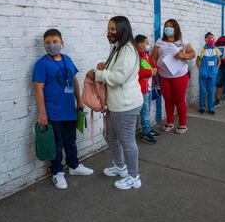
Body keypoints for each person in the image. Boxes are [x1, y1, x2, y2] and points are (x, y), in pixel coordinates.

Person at [86, 16, 144, 190]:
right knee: (110, 136)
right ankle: (120, 167)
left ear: (122, 30)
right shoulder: (119, 48)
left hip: (126, 105)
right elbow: (118, 70)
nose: (109, 33)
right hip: (116, 104)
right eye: (108, 29)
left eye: (112, 29)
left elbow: (119, 77)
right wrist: (106, 66)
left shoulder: (127, 50)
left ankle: (134, 177)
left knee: (127, 141)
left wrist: (97, 74)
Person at [33, 29, 94, 190]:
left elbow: (74, 80)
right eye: (47, 42)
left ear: (62, 43)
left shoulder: (67, 59)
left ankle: (74, 166)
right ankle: (57, 172)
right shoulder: (41, 64)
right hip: (53, 112)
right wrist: (42, 112)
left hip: (69, 111)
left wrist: (79, 100)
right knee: (56, 144)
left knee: (70, 141)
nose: (51, 45)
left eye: (55, 41)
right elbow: (38, 90)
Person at [151, 19, 196, 134]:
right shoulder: (160, 41)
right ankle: (169, 122)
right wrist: (153, 68)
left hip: (179, 75)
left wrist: (183, 55)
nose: (168, 29)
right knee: (168, 100)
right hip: (163, 76)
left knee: (179, 100)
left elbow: (192, 53)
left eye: (170, 27)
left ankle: (182, 124)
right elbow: (154, 57)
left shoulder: (182, 40)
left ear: (175, 28)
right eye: (166, 27)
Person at [135, 34, 158, 144]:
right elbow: (137, 73)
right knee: (144, 111)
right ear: (140, 44)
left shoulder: (146, 55)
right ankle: (145, 133)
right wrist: (150, 72)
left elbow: (153, 65)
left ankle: (147, 129)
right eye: (146, 42)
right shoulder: (136, 57)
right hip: (142, 89)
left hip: (148, 88)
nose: (148, 44)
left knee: (147, 110)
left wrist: (154, 69)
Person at [196, 32, 221, 114]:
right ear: (205, 39)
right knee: (202, 91)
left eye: (212, 38)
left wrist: (216, 69)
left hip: (212, 74)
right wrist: (201, 69)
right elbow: (197, 61)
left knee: (211, 91)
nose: (211, 39)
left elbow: (219, 61)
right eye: (209, 38)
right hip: (203, 74)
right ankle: (202, 107)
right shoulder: (202, 49)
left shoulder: (216, 49)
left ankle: (211, 108)